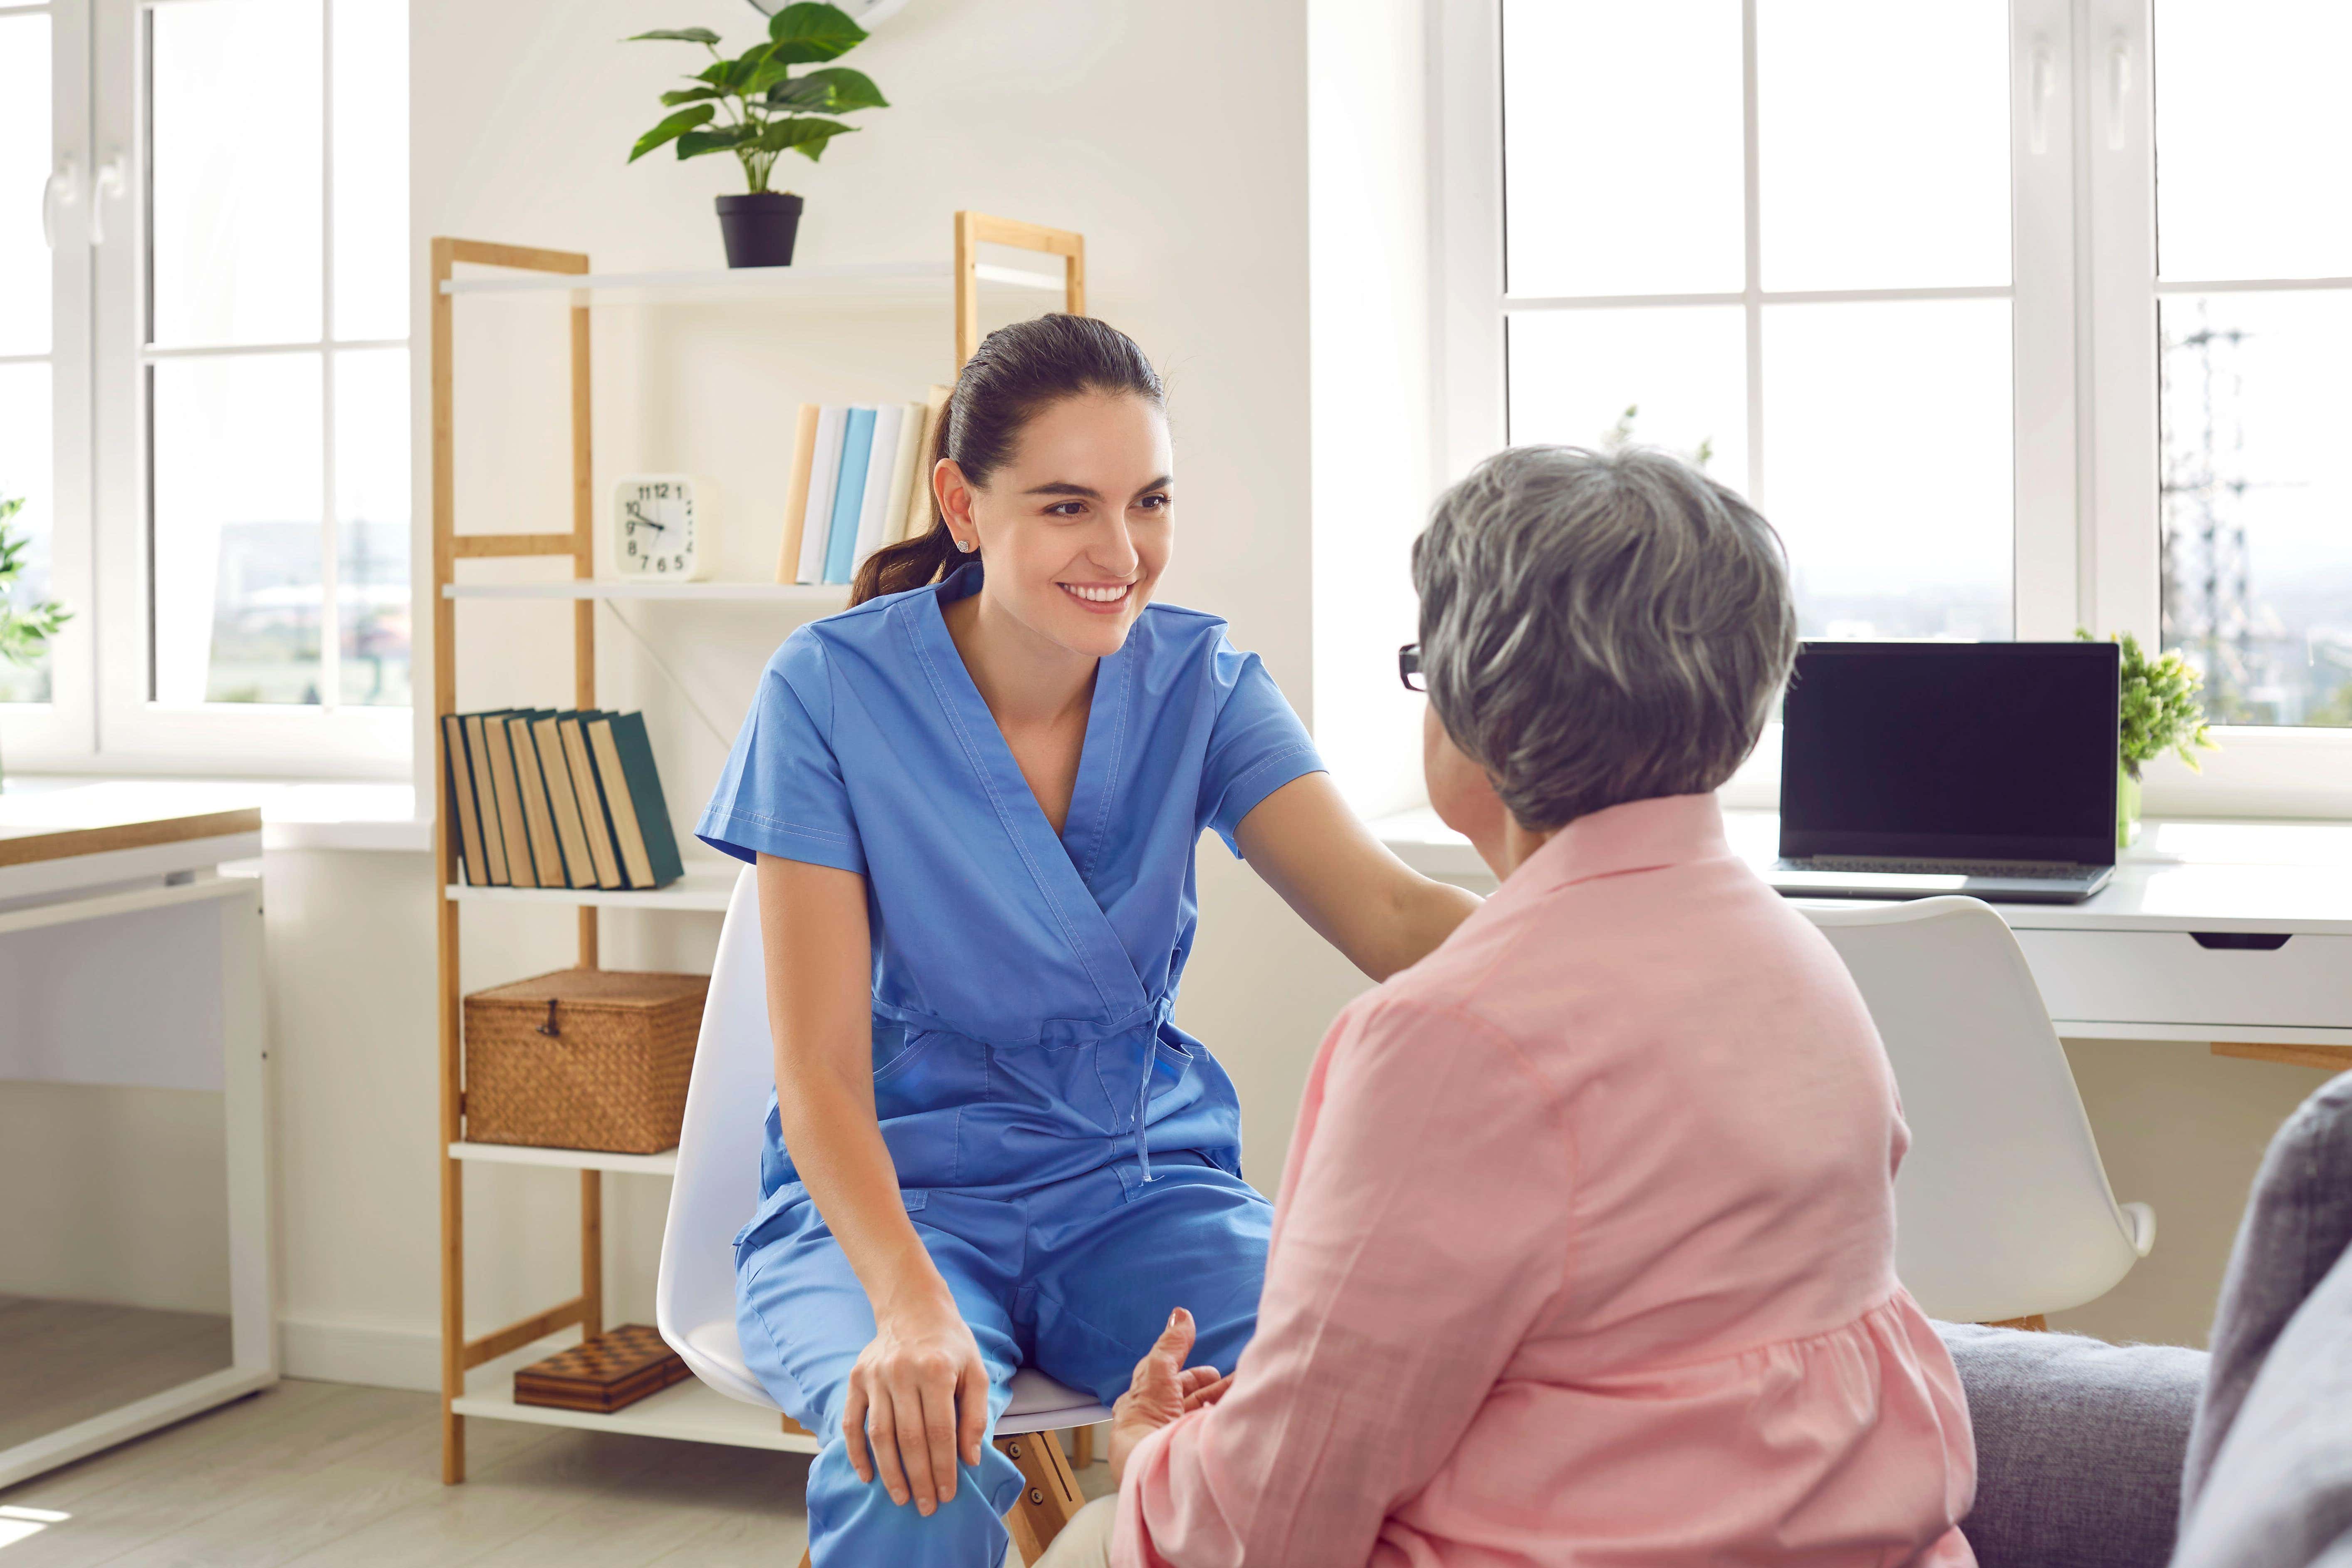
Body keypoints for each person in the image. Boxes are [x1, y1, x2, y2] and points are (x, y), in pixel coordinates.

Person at [1043, 445, 1978, 1567]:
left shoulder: (1450, 1037)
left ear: (1476, 707)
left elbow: (1274, 1523)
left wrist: (1150, 1454)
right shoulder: (1801, 964)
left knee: (1101, 1532)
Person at [695, 314, 1480, 1567]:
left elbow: (1389, 914)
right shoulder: (828, 689)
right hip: (894, 1205)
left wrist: (1624, 953)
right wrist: (907, 1307)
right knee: (915, 1457)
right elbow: (823, 1074)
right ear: (963, 502)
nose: (1122, 552)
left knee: (1366, 1377)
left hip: (1138, 1193)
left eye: (1150, 501)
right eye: (1067, 507)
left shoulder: (1204, 683)